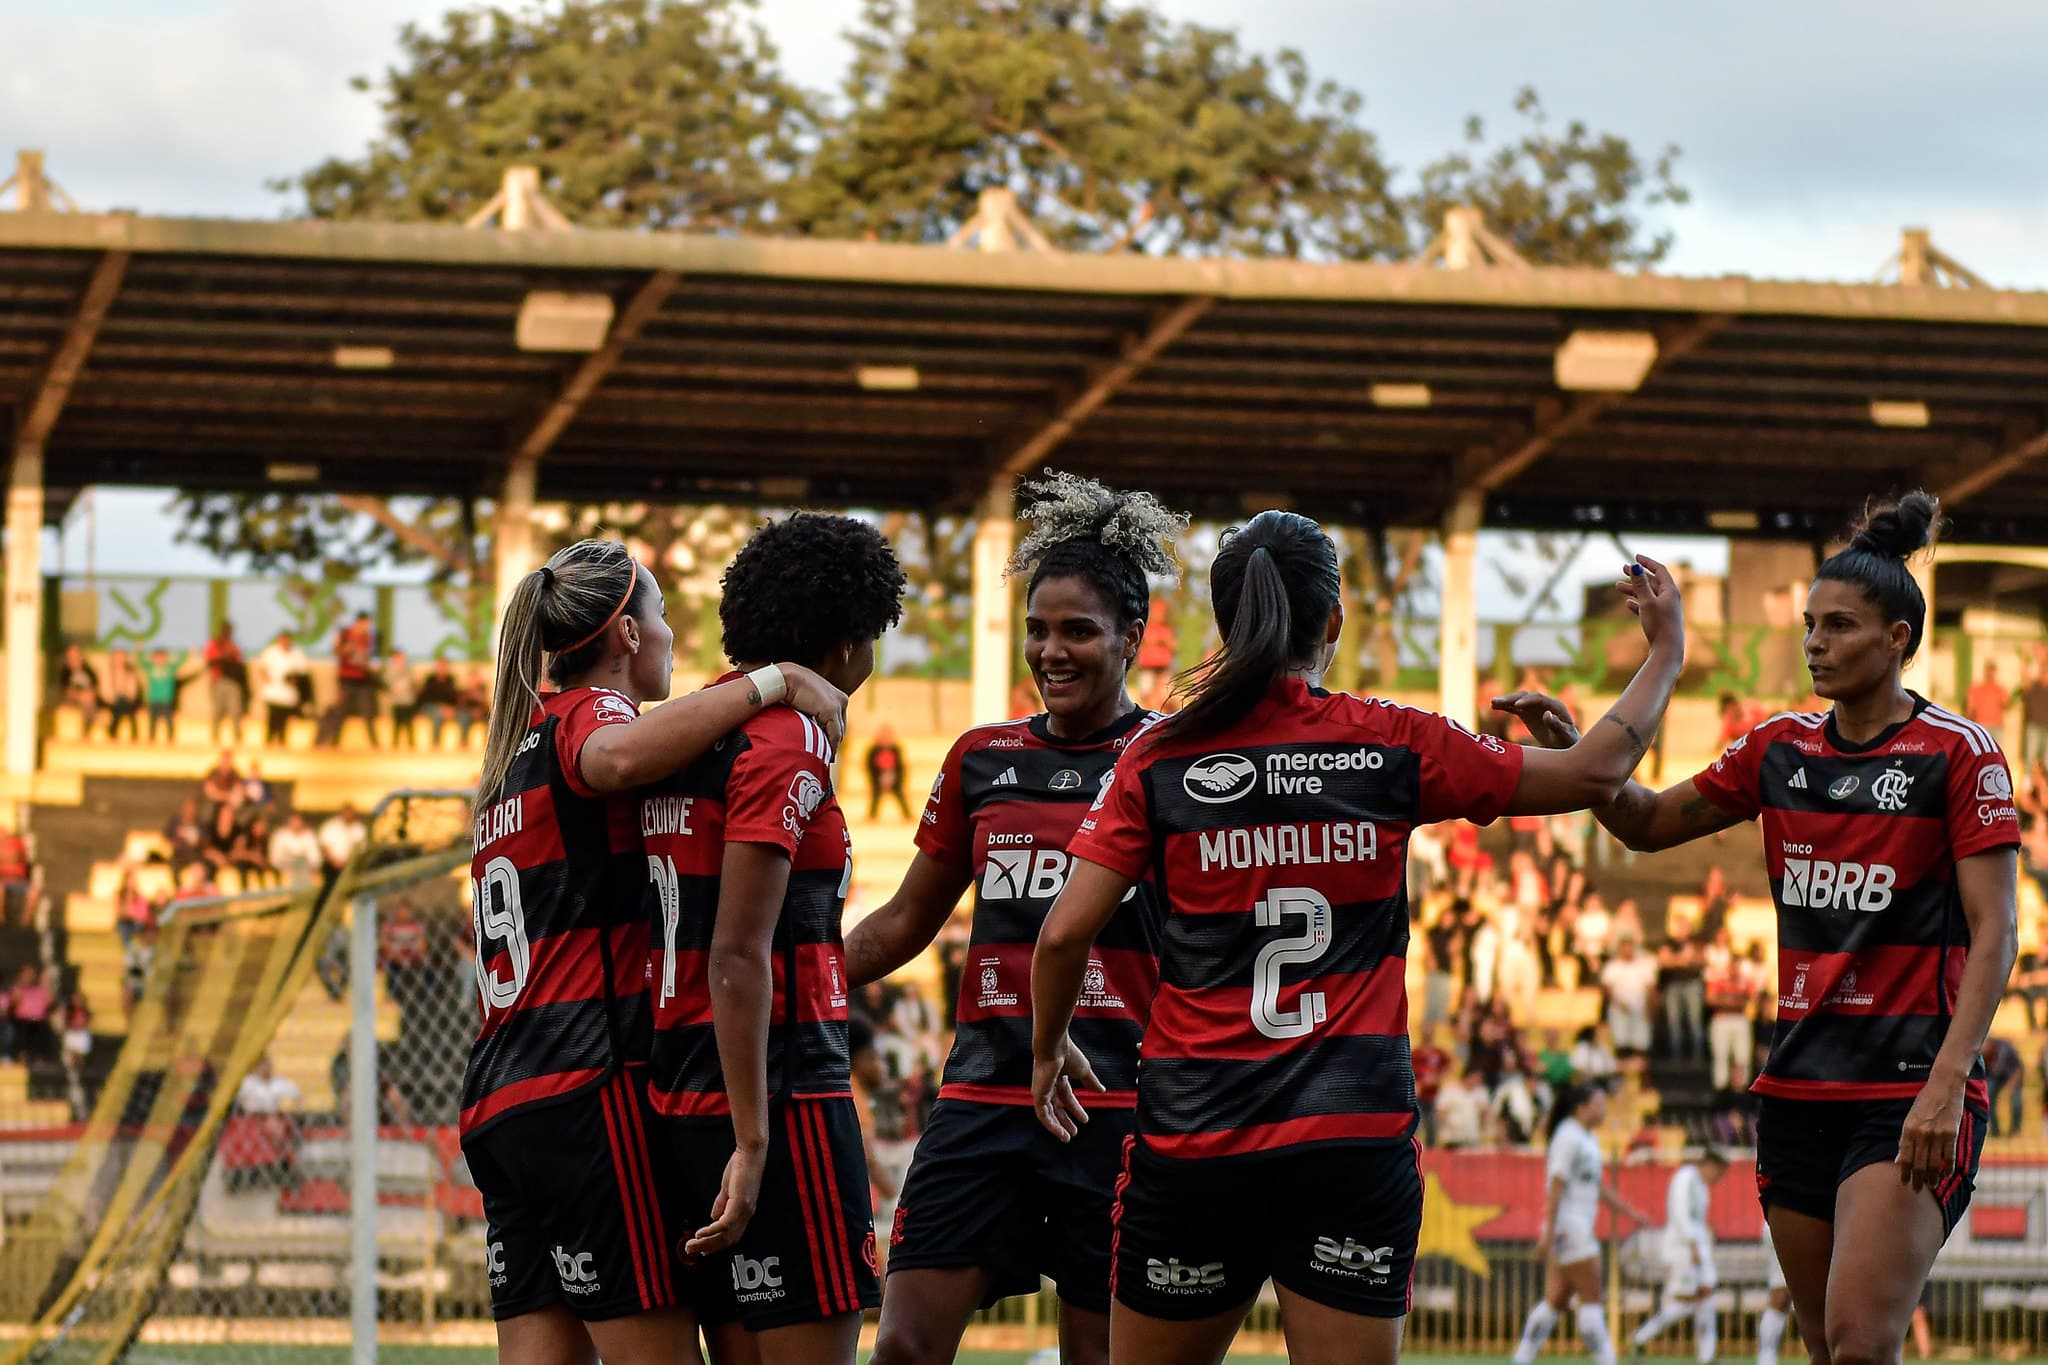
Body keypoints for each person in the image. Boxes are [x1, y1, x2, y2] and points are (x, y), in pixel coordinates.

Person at [1028, 509, 1686, 1365]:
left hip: (1197, 1142)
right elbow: (1595, 772)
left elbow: (1061, 936)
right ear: (1331, 623)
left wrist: (1047, 1049)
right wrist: (1664, 652)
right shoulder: (1390, 740)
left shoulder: (1160, 756)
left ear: (1229, 624)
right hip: (1351, 1138)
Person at [1502, 491, 2017, 1363]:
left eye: (1840, 626)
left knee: (1860, 1343)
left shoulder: (1960, 752)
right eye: (1810, 625)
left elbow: (1996, 930)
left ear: (1899, 638)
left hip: (1905, 1091)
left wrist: (1947, 1080)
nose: (1815, 643)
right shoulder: (1777, 746)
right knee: (1823, 1347)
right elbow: (1648, 821)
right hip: (1798, 1087)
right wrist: (1582, 757)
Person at [459, 535, 851, 1365]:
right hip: (588, 1092)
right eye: (665, 615)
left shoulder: (509, 756)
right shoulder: (591, 715)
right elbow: (619, 755)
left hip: (502, 1099)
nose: (676, 635)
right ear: (629, 636)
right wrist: (775, 681)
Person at [841, 474, 1182, 1365]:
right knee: (904, 1349)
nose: (1051, 649)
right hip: (982, 1096)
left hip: (1113, 1105)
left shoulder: (1169, 764)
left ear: (1131, 639)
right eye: (1038, 628)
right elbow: (904, 922)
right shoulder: (981, 759)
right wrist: (788, 978)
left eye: (1078, 630)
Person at [638, 515, 904, 1365]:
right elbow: (738, 952)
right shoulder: (785, 740)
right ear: (849, 640)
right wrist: (755, 1141)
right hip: (779, 1099)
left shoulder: (688, 730)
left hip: (679, 1093)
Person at [1512, 1082, 1650, 1365]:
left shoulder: (1585, 1137)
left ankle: (1521, 1359)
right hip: (1570, 1224)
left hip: (1570, 1225)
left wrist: (1629, 1211)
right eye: (1598, 1104)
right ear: (1582, 1107)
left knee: (1557, 1299)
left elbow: (1595, 1185)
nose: (1603, 1109)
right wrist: (1548, 1230)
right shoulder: (1569, 1137)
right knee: (1591, 1296)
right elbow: (1556, 1183)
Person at [1629, 1149, 1731, 1362]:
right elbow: (1680, 1214)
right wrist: (1692, 1245)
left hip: (1697, 1248)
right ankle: (1641, 1336)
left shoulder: (1701, 1186)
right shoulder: (1685, 1178)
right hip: (1683, 1249)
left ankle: (1708, 1355)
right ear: (1710, 1164)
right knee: (1684, 1302)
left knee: (1706, 1296)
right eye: (1719, 1172)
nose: (1719, 1178)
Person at [320, 612, 380, 748]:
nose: (367, 626)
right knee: (341, 712)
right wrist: (346, 649)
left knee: (368, 712)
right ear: (360, 622)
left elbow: (365, 658)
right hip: (346, 679)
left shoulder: (368, 637)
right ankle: (335, 742)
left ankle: (375, 743)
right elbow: (336, 652)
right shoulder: (345, 634)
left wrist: (361, 659)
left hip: (363, 679)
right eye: (366, 623)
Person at [1600, 936, 1657, 1060]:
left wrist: (1650, 1007)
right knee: (1622, 1043)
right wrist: (1619, 1003)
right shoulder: (1612, 966)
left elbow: (1651, 988)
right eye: (1624, 947)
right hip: (1619, 1010)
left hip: (1640, 1010)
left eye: (1629, 947)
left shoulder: (1643, 965)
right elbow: (1607, 989)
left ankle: (1641, 1076)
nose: (1627, 950)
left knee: (1641, 1043)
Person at [254, 630, 310, 747]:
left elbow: (303, 671)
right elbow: (262, 667)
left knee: (284, 720)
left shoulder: (297, 653)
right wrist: (266, 677)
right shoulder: (271, 652)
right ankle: (269, 740)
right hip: (273, 692)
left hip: (288, 694)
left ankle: (282, 740)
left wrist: (294, 678)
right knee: (273, 717)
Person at [202, 620, 248, 745]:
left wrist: (230, 657)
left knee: (235, 711)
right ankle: (215, 737)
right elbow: (209, 661)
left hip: (233, 682)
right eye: (226, 630)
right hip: (219, 681)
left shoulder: (234, 646)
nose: (228, 632)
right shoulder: (214, 644)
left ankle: (238, 737)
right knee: (217, 710)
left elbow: (239, 663)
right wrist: (223, 657)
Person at [1756, 1218, 1793, 1365]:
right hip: (1789, 1218)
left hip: (1796, 1218)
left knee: (1784, 1298)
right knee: (1780, 1296)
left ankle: (1767, 1358)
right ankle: (1766, 1359)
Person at [864, 723, 911, 820]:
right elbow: (869, 767)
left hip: (894, 778)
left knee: (900, 793)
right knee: (875, 793)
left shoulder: (896, 749)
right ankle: (872, 815)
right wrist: (880, 778)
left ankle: (907, 815)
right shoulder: (873, 750)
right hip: (877, 778)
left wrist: (892, 778)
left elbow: (901, 767)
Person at [140, 646, 187, 743]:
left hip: (166, 700)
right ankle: (151, 739)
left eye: (162, 657)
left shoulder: (170, 668)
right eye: (157, 657)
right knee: (152, 722)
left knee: (169, 721)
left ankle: (170, 739)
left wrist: (184, 652)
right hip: (153, 700)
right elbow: (140, 660)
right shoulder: (150, 668)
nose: (159, 660)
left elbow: (181, 660)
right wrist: (139, 649)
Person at [317, 803, 368, 888]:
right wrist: (334, 862)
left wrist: (348, 862)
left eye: (350, 813)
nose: (348, 815)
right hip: (332, 865)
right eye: (346, 813)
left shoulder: (359, 829)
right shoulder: (331, 826)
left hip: (352, 865)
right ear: (341, 813)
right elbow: (324, 847)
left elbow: (362, 849)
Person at [268, 812, 322, 890]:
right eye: (294, 822)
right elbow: (275, 858)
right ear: (289, 823)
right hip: (285, 873)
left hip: (306, 873)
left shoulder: (309, 836)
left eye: (299, 822)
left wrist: (309, 867)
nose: (296, 825)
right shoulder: (280, 836)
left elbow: (316, 858)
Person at [58, 644, 102, 735]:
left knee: (88, 703)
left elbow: (95, 687)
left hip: (89, 700)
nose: (74, 659)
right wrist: (81, 695)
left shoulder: (88, 671)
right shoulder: (65, 673)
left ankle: (89, 729)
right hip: (73, 701)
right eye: (71, 656)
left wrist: (88, 694)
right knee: (86, 704)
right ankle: (89, 728)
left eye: (76, 655)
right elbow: (67, 691)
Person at [418, 658, 462, 746]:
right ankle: (435, 742)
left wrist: (452, 708)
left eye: (444, 666)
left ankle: (462, 743)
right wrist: (441, 707)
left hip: (447, 708)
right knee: (437, 714)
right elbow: (425, 697)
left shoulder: (451, 680)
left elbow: (454, 697)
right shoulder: (430, 680)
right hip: (429, 707)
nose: (442, 668)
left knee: (462, 715)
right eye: (440, 666)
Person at [104, 648, 144, 741]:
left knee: (128, 708)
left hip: (127, 700)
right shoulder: (108, 672)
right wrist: (112, 697)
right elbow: (105, 689)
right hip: (112, 701)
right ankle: (113, 735)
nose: (119, 660)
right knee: (117, 709)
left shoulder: (129, 672)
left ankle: (133, 737)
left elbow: (133, 689)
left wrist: (128, 695)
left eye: (122, 657)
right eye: (117, 657)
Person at [384, 651, 420, 748]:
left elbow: (413, 683)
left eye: (402, 658)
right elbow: (387, 684)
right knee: (397, 723)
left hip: (408, 701)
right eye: (398, 658)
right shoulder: (390, 670)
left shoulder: (408, 669)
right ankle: (395, 743)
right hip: (396, 701)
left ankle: (411, 743)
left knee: (409, 723)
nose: (400, 660)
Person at [1966, 660, 2010, 740]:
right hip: (1981, 726)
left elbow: (2006, 706)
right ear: (1985, 672)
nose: (1990, 674)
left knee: (1996, 751)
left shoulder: (2000, 689)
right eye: (1988, 671)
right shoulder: (1976, 688)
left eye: (1992, 672)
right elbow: (1970, 708)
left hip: (1997, 726)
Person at [2021, 658, 2048, 768]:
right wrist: (2025, 657)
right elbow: (2025, 675)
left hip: (2046, 727)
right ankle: (2027, 781)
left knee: (2046, 759)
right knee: (2030, 757)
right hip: (2033, 726)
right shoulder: (2034, 685)